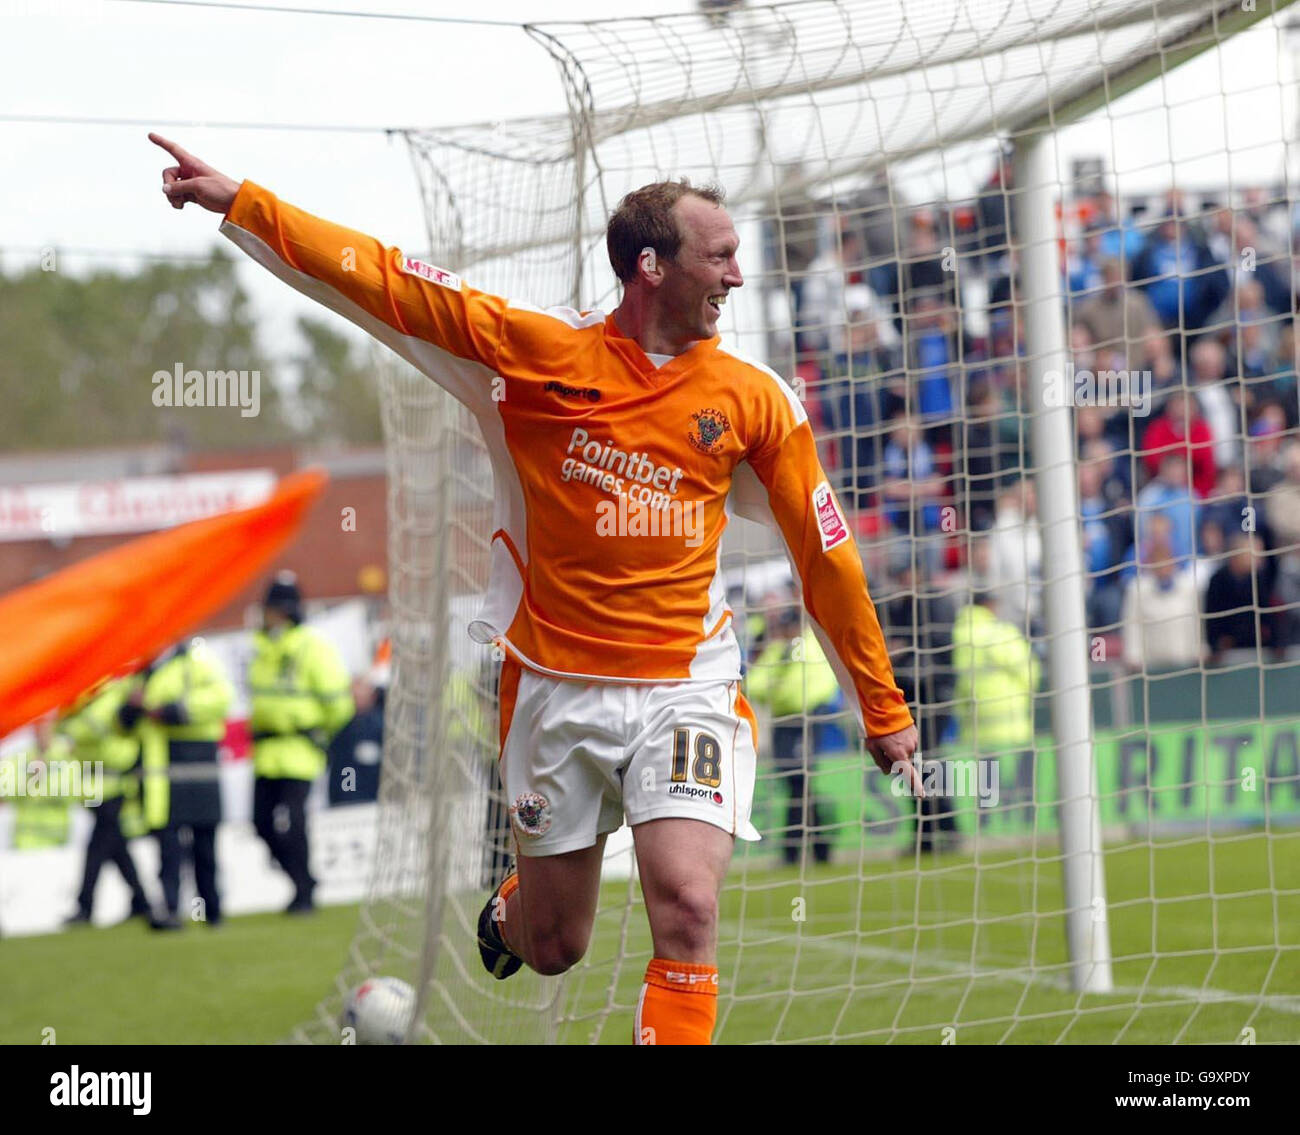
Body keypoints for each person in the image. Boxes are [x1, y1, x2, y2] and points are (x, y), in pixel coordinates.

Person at [151, 133, 920, 1046]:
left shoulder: (757, 399)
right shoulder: (536, 352)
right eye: (719, 257)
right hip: (554, 688)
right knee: (556, 944)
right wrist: (243, 200)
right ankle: (516, 907)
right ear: (650, 266)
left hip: (688, 686)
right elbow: (387, 278)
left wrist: (883, 706)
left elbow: (823, 551)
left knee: (688, 903)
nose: (736, 278)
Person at [248, 572, 354, 913]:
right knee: (260, 822)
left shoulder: (313, 646)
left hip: (300, 750)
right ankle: (302, 879)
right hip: (266, 752)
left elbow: (338, 703)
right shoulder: (262, 648)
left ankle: (304, 893)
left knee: (295, 821)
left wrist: (318, 734)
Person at [120, 640, 233, 930]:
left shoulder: (195, 660)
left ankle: (212, 910)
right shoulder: (141, 670)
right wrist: (130, 710)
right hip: (161, 776)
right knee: (168, 848)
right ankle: (170, 910)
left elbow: (221, 698)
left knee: (204, 846)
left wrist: (174, 711)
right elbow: (122, 722)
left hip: (196, 767)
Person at [745, 605, 841, 865]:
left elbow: (820, 683)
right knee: (796, 782)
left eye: (791, 626)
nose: (788, 631)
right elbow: (754, 685)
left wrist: (796, 698)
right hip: (784, 722)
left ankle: (798, 849)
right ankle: (817, 845)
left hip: (807, 720)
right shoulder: (777, 651)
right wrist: (778, 676)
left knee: (801, 780)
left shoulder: (811, 646)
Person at [59, 676, 152, 926]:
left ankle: (85, 907)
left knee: (97, 847)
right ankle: (143, 902)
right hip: (91, 785)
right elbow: (68, 730)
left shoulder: (114, 693)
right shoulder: (80, 698)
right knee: (116, 847)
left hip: (113, 784)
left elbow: (84, 731)